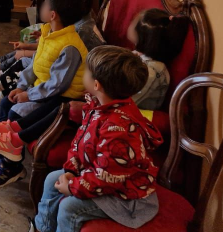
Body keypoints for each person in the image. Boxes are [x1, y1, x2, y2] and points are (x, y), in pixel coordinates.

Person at [31, 46, 163, 232]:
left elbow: (108, 177)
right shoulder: (99, 105)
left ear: (96, 85)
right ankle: (42, 228)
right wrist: (71, 169)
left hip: (127, 197)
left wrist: (74, 187)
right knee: (52, 178)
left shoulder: (118, 130)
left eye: (86, 70)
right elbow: (80, 142)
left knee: (69, 207)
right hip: (99, 175)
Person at [0, 0, 89, 188]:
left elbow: (57, 85)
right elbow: (36, 64)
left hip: (57, 97)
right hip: (42, 89)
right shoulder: (49, 32)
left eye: (44, 4)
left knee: (16, 112)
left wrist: (29, 95)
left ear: (52, 14)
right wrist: (21, 87)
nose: (41, 6)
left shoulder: (69, 45)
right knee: (6, 104)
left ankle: (12, 166)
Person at [127, 8, 188, 111]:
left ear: (143, 36)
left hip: (137, 115)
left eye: (134, 21)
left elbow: (129, 100)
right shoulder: (137, 55)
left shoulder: (154, 70)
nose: (130, 23)